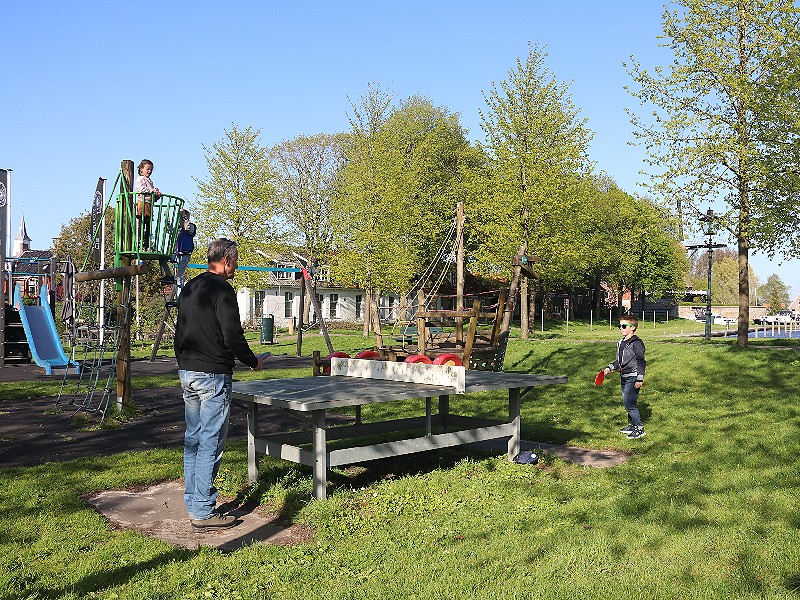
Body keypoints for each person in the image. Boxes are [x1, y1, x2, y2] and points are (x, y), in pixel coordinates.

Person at [174, 238, 268, 531]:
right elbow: (232, 334)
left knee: (193, 439)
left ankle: (194, 502)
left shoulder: (190, 287)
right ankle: (203, 511)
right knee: (210, 442)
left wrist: (184, 363)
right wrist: (252, 361)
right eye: (236, 260)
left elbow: (181, 330)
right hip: (212, 376)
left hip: (188, 372)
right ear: (226, 260)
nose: (237, 266)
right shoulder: (223, 290)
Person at [602, 314, 646, 440]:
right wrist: (609, 367)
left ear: (632, 327)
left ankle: (639, 429)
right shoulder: (621, 342)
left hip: (633, 377)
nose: (621, 328)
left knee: (629, 404)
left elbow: (641, 362)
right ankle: (631, 425)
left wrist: (639, 378)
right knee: (628, 402)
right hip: (624, 376)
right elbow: (619, 361)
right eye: (619, 326)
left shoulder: (636, 343)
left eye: (623, 326)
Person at [135, 159, 161, 251]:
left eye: (151, 170)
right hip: (142, 203)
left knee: (148, 225)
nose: (149, 171)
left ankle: (147, 243)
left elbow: (151, 195)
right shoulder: (140, 178)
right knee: (142, 223)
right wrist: (152, 191)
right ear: (141, 169)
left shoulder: (149, 180)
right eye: (148, 169)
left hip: (149, 204)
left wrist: (156, 195)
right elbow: (141, 189)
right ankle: (141, 243)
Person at [174, 209, 196, 292]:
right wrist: (168, 219)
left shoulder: (191, 227)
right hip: (177, 254)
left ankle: (181, 292)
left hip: (185, 254)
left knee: (180, 275)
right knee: (165, 260)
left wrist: (183, 215)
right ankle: (171, 277)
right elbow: (170, 231)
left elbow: (187, 228)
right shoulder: (179, 229)